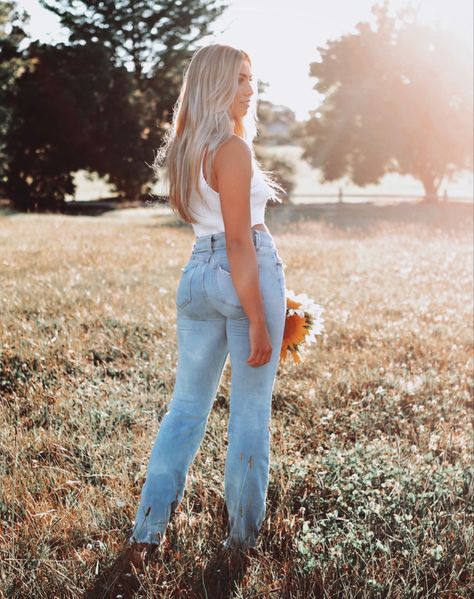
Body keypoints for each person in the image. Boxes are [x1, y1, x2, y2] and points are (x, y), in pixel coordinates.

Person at [127, 43, 287, 566]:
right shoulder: (232, 150)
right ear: (215, 85)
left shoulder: (184, 148)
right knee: (248, 416)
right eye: (239, 79)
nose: (250, 87)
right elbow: (240, 242)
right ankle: (241, 542)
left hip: (196, 275)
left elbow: (213, 233)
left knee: (186, 411)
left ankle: (147, 532)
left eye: (251, 77)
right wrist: (260, 319)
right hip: (243, 274)